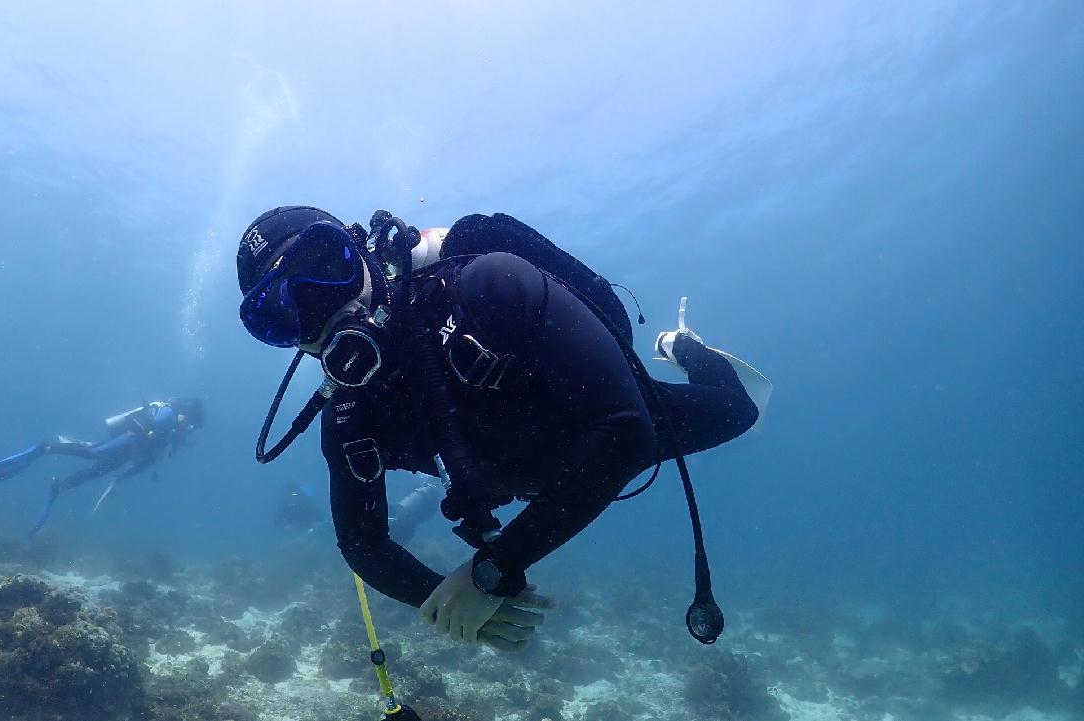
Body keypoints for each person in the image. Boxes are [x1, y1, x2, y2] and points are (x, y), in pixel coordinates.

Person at [236, 207, 765, 652]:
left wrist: (490, 570)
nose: (324, 309)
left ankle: (682, 347)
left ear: (363, 251)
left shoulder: (490, 284)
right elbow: (360, 541)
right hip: (541, 468)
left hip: (598, 413)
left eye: (327, 266)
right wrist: (435, 593)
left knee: (738, 411)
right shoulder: (350, 409)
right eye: (281, 314)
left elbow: (627, 434)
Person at [0, 397, 205, 536]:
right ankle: (44, 448)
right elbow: (154, 431)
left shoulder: (173, 430)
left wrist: (121, 478)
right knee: (93, 453)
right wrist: (174, 433)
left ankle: (58, 487)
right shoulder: (168, 415)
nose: (190, 427)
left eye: (192, 426)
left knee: (94, 473)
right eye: (191, 422)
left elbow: (150, 459)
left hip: (128, 452)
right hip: (129, 440)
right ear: (185, 412)